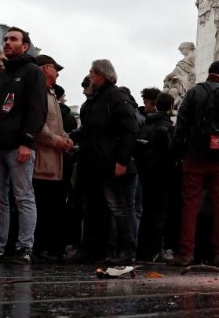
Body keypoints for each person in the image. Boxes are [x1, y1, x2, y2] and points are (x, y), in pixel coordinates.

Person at [0, 27, 47, 265]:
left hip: (18, 146)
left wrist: (27, 141)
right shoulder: (0, 76)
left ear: (24, 46)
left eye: (13, 39)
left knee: (23, 197)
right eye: (5, 39)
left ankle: (24, 247)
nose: (7, 42)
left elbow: (37, 110)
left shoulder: (32, 72)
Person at [172, 60, 219, 267]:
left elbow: (181, 126)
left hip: (194, 158)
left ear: (209, 73)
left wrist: (180, 152)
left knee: (190, 205)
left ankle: (186, 252)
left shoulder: (194, 92)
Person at [70, 59, 140, 264]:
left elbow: (130, 129)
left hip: (109, 163)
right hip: (92, 163)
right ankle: (93, 249)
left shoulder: (115, 96)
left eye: (92, 71)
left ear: (101, 74)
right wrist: (71, 137)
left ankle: (125, 251)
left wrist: (122, 160)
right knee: (93, 208)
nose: (89, 75)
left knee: (117, 207)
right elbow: (88, 130)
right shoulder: (96, 100)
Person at [32, 54, 73, 261]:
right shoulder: (39, 92)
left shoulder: (50, 94)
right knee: (41, 205)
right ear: (46, 68)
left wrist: (66, 139)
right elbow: (38, 125)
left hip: (53, 161)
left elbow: (59, 128)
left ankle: (45, 248)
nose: (57, 73)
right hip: (42, 160)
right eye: (55, 69)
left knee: (50, 207)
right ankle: (38, 248)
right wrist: (58, 140)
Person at [135, 92, 176, 262]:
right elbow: (171, 153)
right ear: (171, 107)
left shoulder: (145, 125)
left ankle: (143, 250)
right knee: (160, 215)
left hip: (146, 174)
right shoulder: (168, 128)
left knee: (146, 213)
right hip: (163, 175)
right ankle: (155, 249)